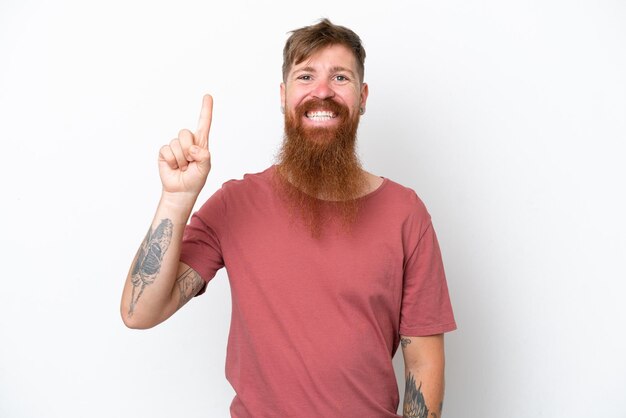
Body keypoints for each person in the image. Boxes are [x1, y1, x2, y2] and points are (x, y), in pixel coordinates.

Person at [121, 18, 456, 418]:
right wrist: (177, 199)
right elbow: (138, 312)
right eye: (306, 75)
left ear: (362, 97)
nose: (322, 91)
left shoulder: (406, 213)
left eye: (341, 78)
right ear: (283, 95)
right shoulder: (235, 204)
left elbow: (423, 362)